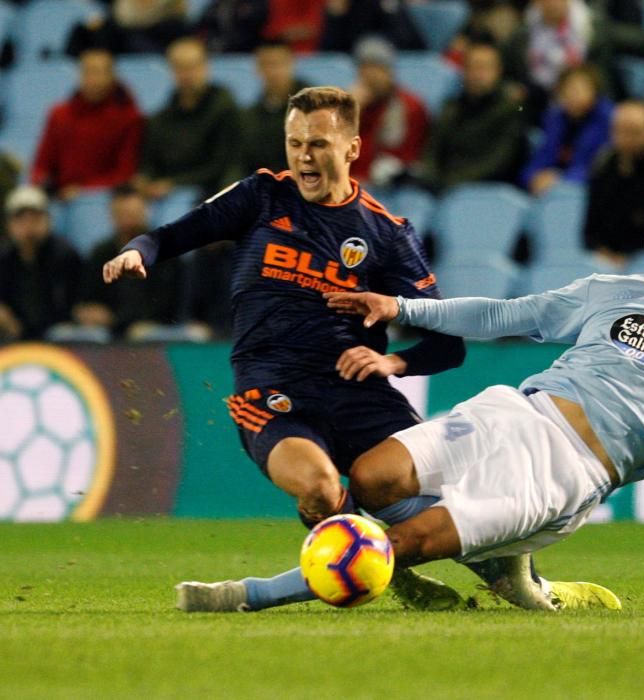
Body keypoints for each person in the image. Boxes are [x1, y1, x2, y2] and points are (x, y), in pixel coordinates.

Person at [212, 181, 644, 614]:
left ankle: (251, 595)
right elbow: (501, 317)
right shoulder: (610, 290)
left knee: (404, 541)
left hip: (571, 470)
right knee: (368, 477)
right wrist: (396, 306)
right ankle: (500, 568)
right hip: (516, 413)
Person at [104, 86, 601, 612]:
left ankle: (510, 574)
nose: (302, 156)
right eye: (294, 143)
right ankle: (393, 575)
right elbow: (170, 236)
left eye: (317, 143)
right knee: (319, 489)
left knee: (435, 498)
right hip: (273, 386)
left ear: (352, 148)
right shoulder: (261, 195)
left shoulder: (386, 234)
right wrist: (137, 252)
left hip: (361, 393)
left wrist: (393, 361)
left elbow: (446, 345)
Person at [502, 0, 644, 120]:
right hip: (543, 112)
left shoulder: (593, 30)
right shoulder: (522, 37)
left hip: (596, 113)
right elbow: (504, 73)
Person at [135, 36, 241, 200]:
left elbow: (222, 165)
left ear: (206, 67)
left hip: (212, 193)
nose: (187, 75)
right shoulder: (161, 119)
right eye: (180, 68)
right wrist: (145, 178)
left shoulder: (224, 110)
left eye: (192, 67)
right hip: (167, 195)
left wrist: (174, 183)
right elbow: (150, 161)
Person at [73, 185, 184, 339]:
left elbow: (168, 301)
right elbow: (89, 295)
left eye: (132, 214)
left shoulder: (164, 251)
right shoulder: (101, 253)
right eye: (122, 214)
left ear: (145, 213)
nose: (128, 221)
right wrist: (90, 311)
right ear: (112, 217)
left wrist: (118, 318)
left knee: (142, 333)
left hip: (154, 327)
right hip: (108, 329)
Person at [31, 48, 144, 201]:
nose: (93, 79)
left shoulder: (129, 117)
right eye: (87, 72)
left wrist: (83, 191)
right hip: (60, 197)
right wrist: (41, 182)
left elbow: (124, 173)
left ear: (112, 76)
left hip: (104, 200)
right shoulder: (58, 114)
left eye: (98, 72)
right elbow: (41, 165)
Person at [418, 39, 528, 191]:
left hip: (486, 191)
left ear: (498, 71)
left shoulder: (511, 110)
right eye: (472, 67)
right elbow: (433, 151)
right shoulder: (451, 107)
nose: (477, 74)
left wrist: (450, 183)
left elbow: (500, 160)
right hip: (443, 186)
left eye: (484, 68)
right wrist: (431, 178)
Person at [584, 100, 644, 267]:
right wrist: (602, 249)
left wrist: (628, 253)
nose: (626, 139)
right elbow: (590, 226)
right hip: (604, 258)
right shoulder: (603, 167)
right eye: (620, 131)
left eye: (634, 132)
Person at [0, 187, 81, 342]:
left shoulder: (66, 255)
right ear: (9, 225)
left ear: (48, 221)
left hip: (57, 333)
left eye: (35, 219)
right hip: (12, 333)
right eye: (21, 220)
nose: (28, 226)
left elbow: (77, 303)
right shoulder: (3, 258)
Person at [521, 64, 613, 196]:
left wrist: (561, 179)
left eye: (580, 89)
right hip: (548, 189)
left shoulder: (608, 121)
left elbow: (599, 168)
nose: (574, 94)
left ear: (594, 91)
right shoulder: (554, 118)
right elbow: (542, 155)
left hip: (586, 191)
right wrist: (533, 178)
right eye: (569, 89)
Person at [350, 37, 430, 188]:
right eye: (365, 69)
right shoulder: (346, 107)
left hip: (397, 187)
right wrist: (349, 114)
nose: (371, 76)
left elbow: (412, 153)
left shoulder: (410, 106)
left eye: (377, 69)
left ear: (390, 72)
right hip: (353, 185)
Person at [241, 42, 309, 174]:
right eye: (266, 65)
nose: (273, 72)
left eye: (279, 64)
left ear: (292, 64)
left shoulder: (313, 107)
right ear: (257, 69)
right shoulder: (249, 115)